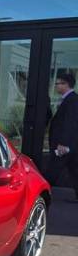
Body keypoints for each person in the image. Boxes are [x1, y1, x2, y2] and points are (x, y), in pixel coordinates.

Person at [46, 72, 78, 201]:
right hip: (68, 145)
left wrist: (63, 144)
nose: (56, 86)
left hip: (64, 145)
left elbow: (70, 123)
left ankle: (41, 193)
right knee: (74, 170)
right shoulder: (69, 99)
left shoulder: (72, 100)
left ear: (66, 84)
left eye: (58, 83)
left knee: (53, 170)